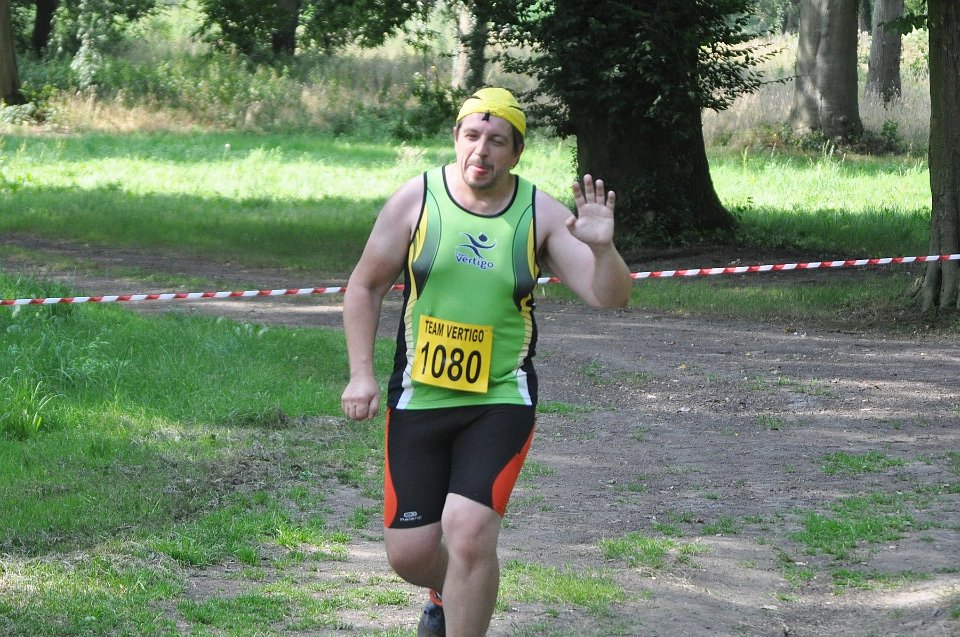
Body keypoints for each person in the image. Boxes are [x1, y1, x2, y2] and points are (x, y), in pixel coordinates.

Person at [340, 87, 632, 636]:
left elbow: (609, 296)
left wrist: (602, 249)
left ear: (516, 153)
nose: (482, 150)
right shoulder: (416, 200)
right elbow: (365, 286)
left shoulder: (540, 212)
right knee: (409, 554)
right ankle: (450, 591)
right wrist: (362, 373)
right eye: (472, 135)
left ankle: (463, 607)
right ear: (456, 138)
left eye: (497, 140)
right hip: (419, 396)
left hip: (500, 398)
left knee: (468, 531)